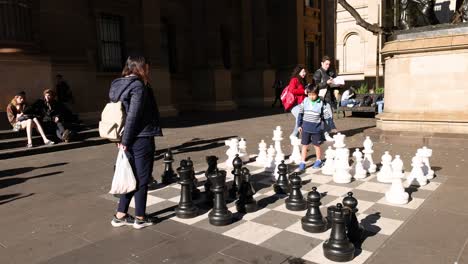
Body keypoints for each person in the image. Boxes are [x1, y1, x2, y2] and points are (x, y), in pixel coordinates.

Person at [109, 55, 163, 229]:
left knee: (130, 175)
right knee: (142, 178)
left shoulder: (118, 84)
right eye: (147, 66)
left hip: (126, 136)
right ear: (142, 67)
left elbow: (117, 114)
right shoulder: (138, 86)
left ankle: (120, 215)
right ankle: (140, 217)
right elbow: (133, 115)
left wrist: (120, 139)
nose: (149, 69)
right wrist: (125, 140)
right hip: (140, 137)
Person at [297, 86, 327, 172]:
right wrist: (299, 125)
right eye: (309, 95)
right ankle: (302, 162)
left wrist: (324, 126)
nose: (311, 96)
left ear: (317, 94)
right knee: (304, 145)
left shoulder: (321, 103)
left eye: (313, 95)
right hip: (305, 127)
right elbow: (300, 113)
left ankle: (318, 160)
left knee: (316, 145)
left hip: (316, 129)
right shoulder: (305, 101)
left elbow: (325, 115)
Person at [313, 55, 339, 142]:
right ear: (322, 63)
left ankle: (323, 134)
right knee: (328, 116)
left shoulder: (328, 73)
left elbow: (329, 86)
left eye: (329, 64)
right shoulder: (318, 72)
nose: (328, 66)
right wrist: (326, 82)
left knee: (326, 117)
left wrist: (334, 83)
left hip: (328, 98)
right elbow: (315, 86)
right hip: (322, 98)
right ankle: (325, 134)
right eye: (326, 64)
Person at [288, 65, 307, 139]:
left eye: (305, 72)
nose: (304, 73)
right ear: (298, 72)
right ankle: (293, 135)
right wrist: (303, 91)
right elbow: (291, 90)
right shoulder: (294, 80)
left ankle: (295, 136)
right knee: (300, 117)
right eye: (303, 72)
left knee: (301, 118)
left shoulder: (302, 80)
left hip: (301, 104)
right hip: (294, 104)